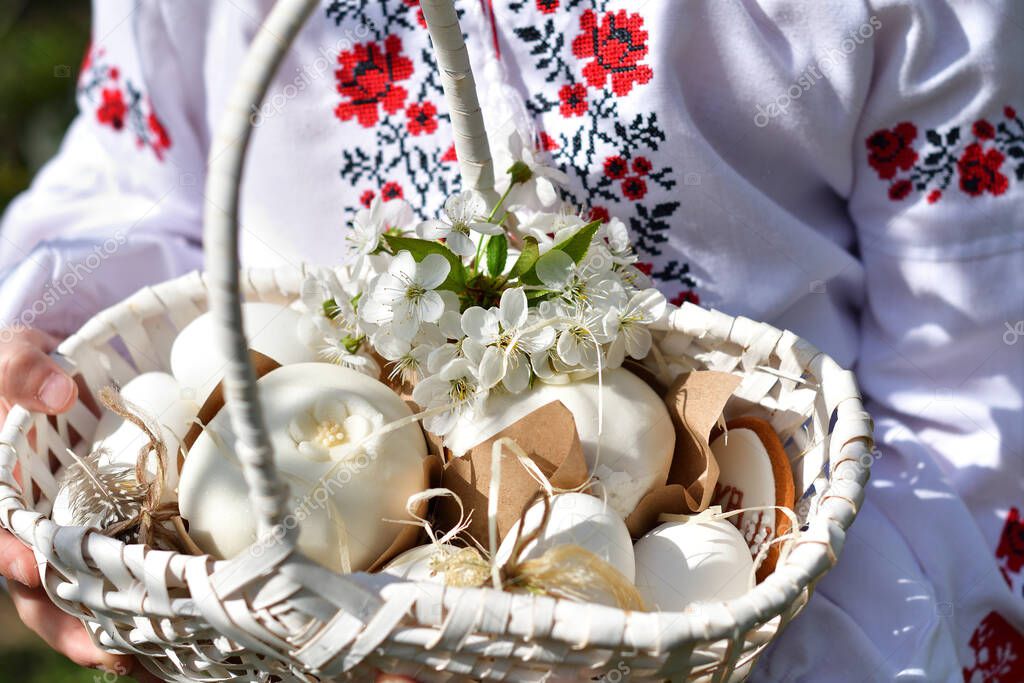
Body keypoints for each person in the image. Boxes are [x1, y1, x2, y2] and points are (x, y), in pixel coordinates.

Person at [0, 1, 1021, 680]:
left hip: (776, 591)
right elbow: (147, 175)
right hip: (296, 596)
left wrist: (708, 645)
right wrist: (41, 344)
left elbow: (983, 396)